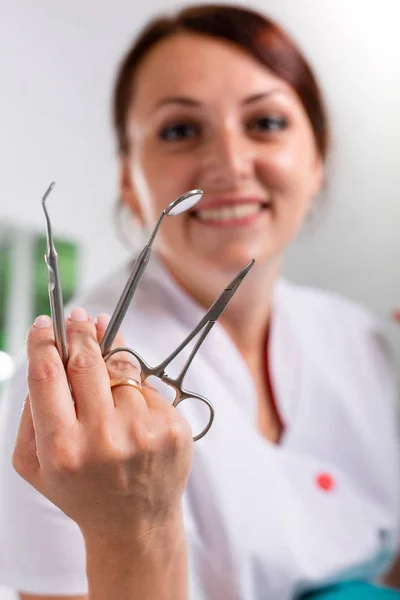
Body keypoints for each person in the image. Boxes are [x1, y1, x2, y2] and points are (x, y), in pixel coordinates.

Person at [0, 4, 399, 599]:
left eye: (265, 123)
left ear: (316, 161)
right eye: (180, 130)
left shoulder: (363, 341)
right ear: (129, 182)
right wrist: (135, 530)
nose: (231, 165)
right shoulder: (64, 410)